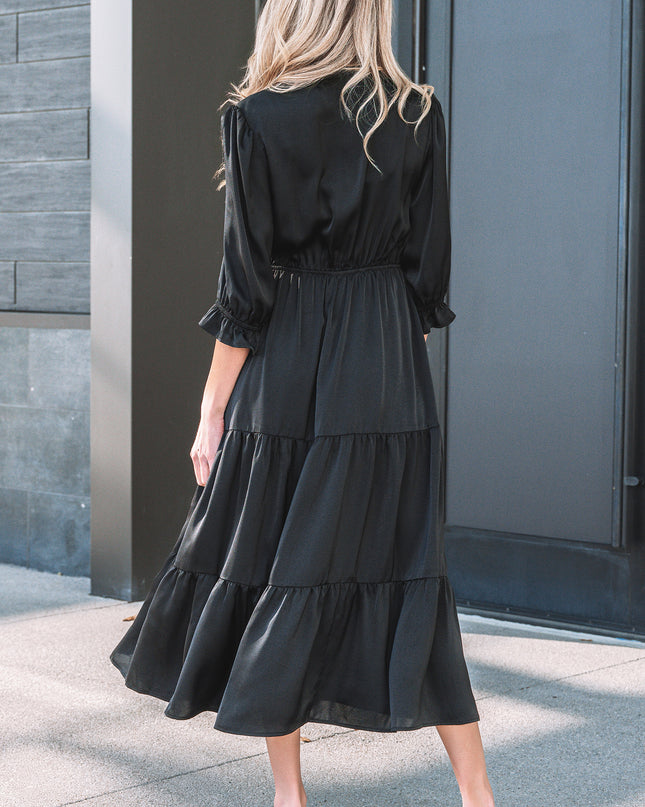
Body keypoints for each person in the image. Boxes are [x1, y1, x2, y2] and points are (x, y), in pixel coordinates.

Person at [110, 1, 495, 805]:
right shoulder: (418, 112)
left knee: (274, 567)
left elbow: (243, 292)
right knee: (407, 566)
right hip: (386, 366)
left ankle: (290, 794)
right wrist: (382, 366)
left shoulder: (254, 117)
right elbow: (429, 280)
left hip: (287, 368)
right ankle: (476, 791)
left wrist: (212, 405)